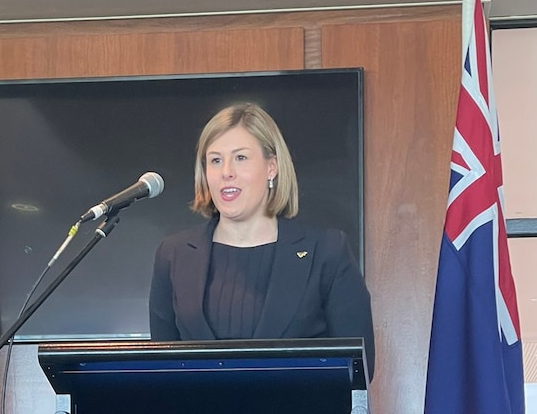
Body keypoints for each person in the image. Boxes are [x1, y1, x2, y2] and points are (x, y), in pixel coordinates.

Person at [149, 102, 375, 378]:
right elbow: (160, 371)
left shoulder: (327, 251)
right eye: (215, 160)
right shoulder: (174, 255)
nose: (226, 172)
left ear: (272, 167)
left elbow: (358, 370)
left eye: (240, 158)